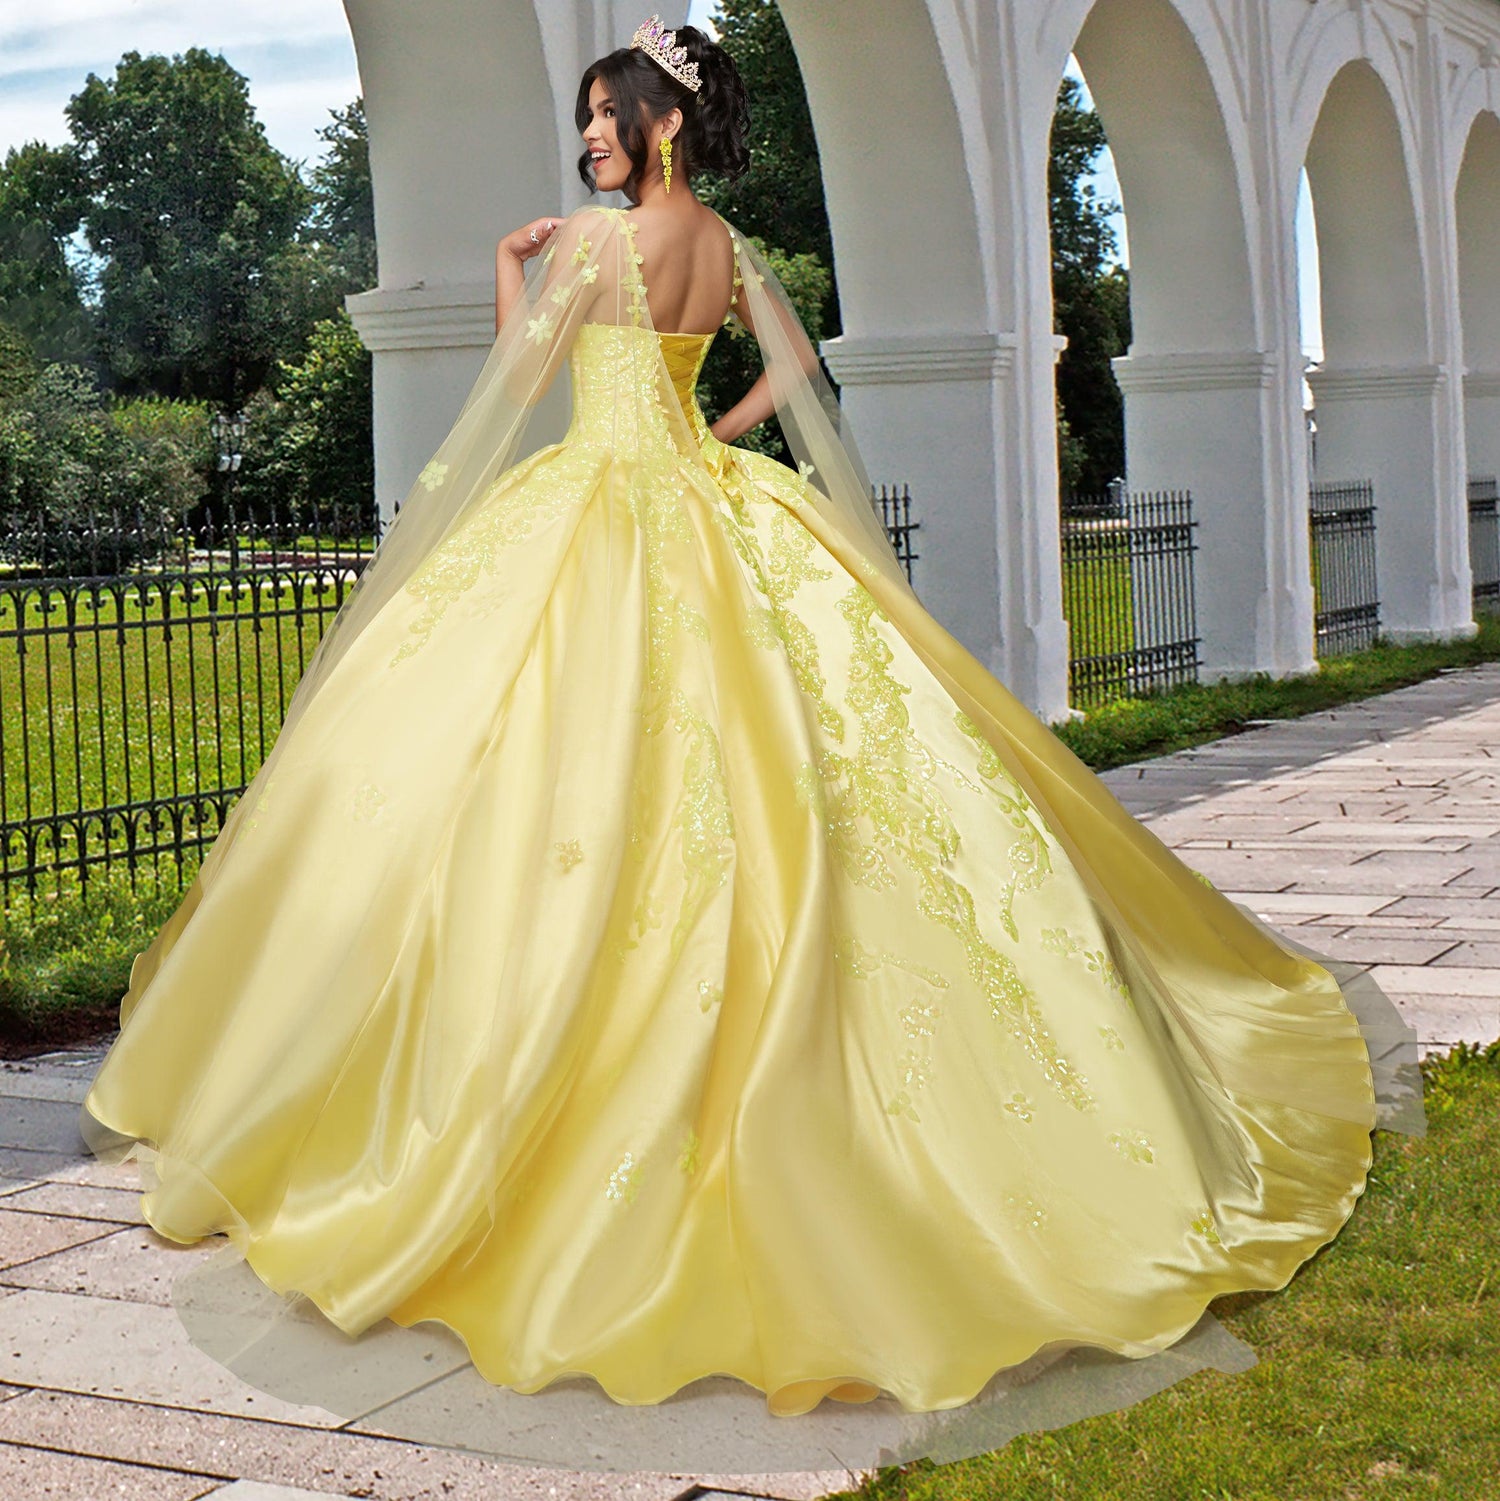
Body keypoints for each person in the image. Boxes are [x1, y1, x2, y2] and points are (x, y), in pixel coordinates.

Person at [77, 14, 1424, 1478]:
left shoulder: (595, 244)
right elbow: (791, 376)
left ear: (660, 120)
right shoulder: (727, 244)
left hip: (596, 510)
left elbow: (525, 374)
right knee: (779, 774)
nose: (589, 136)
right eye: (588, 116)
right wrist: (706, 428)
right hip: (707, 500)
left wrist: (511, 269)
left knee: (545, 785)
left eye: (608, 115)